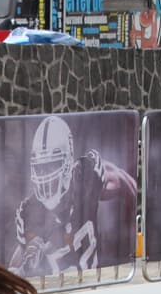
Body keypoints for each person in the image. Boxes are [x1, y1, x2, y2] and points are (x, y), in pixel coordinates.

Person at [8, 115, 138, 277]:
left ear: (68, 162)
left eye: (51, 165)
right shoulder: (28, 212)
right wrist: (19, 269)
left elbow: (123, 181)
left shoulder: (85, 177)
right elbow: (19, 258)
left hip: (92, 286)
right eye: (40, 168)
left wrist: (137, 225)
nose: (44, 175)